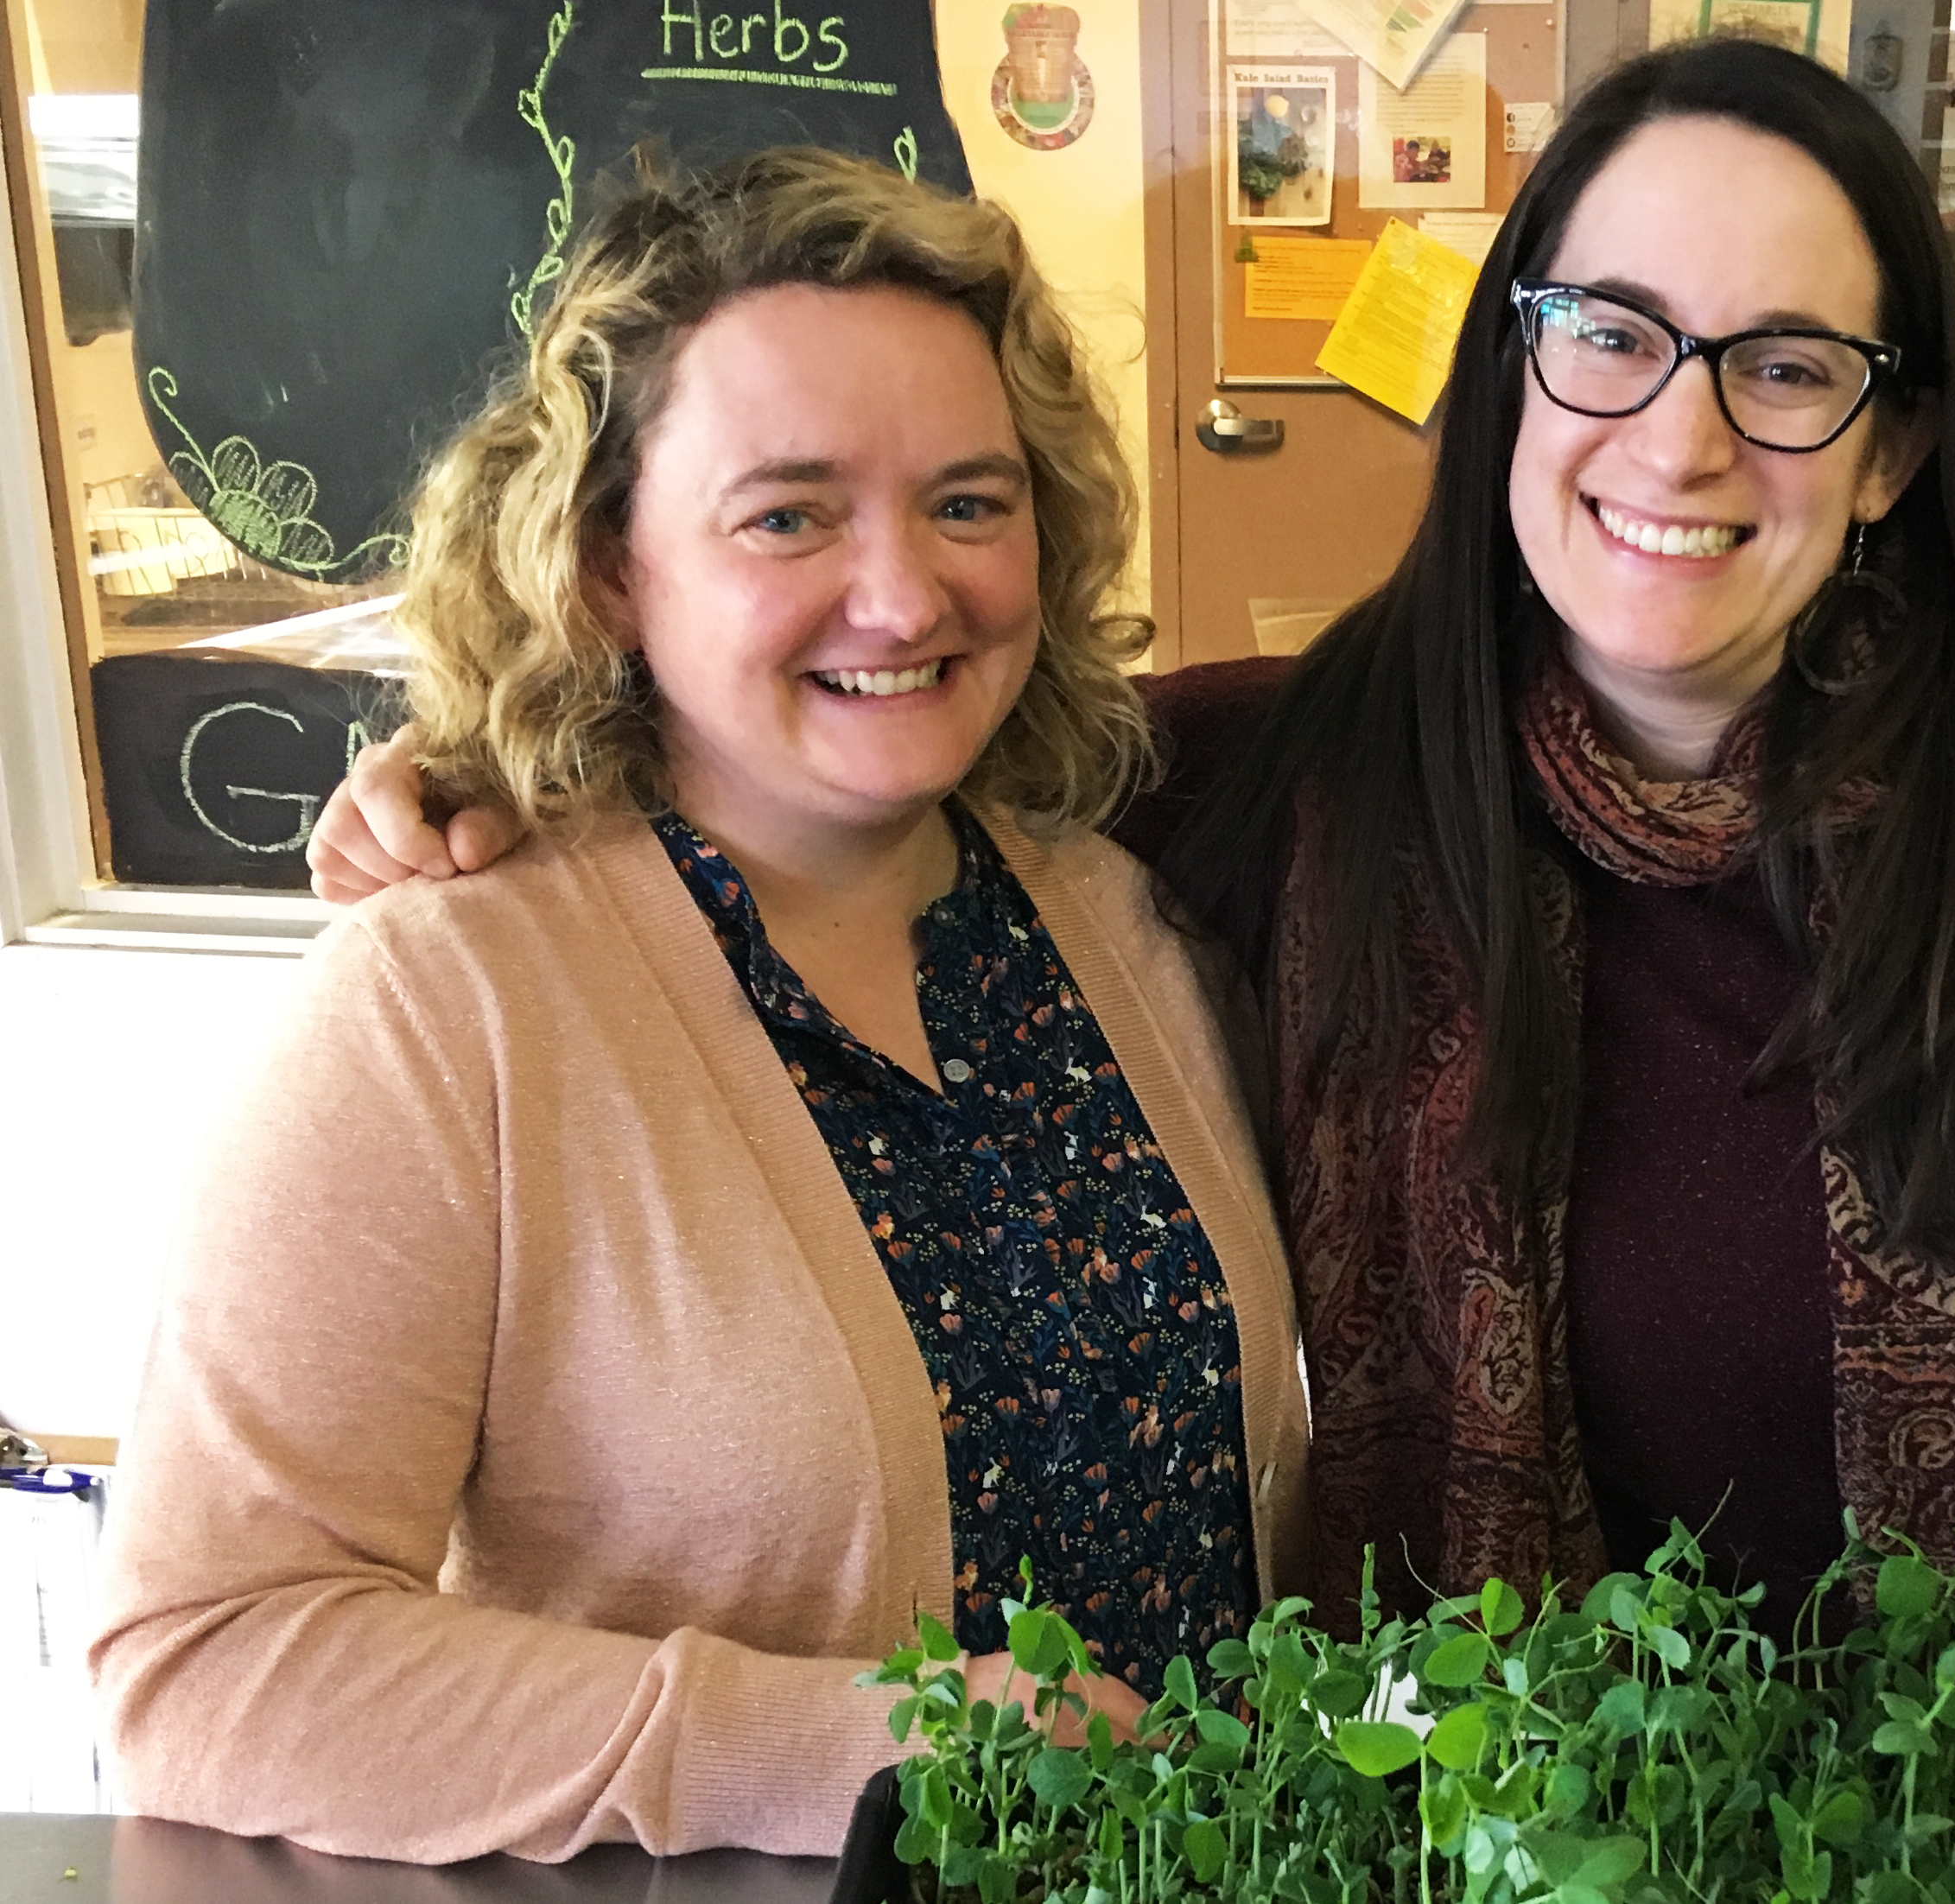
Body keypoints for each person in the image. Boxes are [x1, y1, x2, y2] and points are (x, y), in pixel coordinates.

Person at [311, 42, 1955, 1730]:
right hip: (1592, 1828)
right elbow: (881, 725)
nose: (1680, 434)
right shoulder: (1284, 783)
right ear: (1512, 365)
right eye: (1608, 331)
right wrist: (520, 766)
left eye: (1785, 363)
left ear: (1892, 442)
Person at [98, 149, 1309, 1863]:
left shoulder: (1122, 919)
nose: (904, 595)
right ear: (607, 570)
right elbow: (196, 1661)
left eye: (969, 501)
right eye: (788, 515)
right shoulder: (444, 1006)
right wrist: (873, 1745)